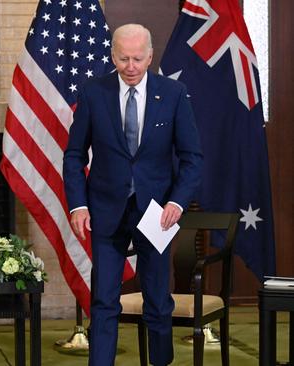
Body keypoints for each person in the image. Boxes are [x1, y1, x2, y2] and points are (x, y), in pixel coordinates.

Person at [63, 24, 203, 366]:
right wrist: (78, 205)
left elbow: (192, 158)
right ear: (113, 56)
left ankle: (159, 363)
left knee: (157, 301)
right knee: (104, 301)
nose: (130, 66)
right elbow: (74, 155)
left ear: (150, 56)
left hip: (157, 212)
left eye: (138, 59)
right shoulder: (93, 92)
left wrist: (176, 201)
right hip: (106, 210)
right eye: (123, 58)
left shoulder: (173, 93)